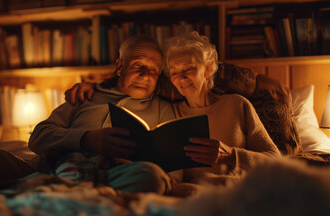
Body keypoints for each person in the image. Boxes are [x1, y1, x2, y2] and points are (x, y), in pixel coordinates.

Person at [65, 32, 281, 186]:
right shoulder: (171, 112)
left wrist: (231, 156)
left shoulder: (236, 104)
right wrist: (93, 86)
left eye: (189, 69)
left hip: (239, 191)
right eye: (174, 71)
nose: (181, 78)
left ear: (207, 70)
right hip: (190, 195)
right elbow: (129, 79)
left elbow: (276, 162)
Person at [28, 35, 176, 194]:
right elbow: (37, 138)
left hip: (115, 175)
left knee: (154, 177)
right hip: (59, 165)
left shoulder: (164, 109)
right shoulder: (85, 95)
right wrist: (85, 139)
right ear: (119, 67)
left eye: (153, 70)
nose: (145, 75)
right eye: (137, 65)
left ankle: (76, 189)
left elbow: (174, 172)